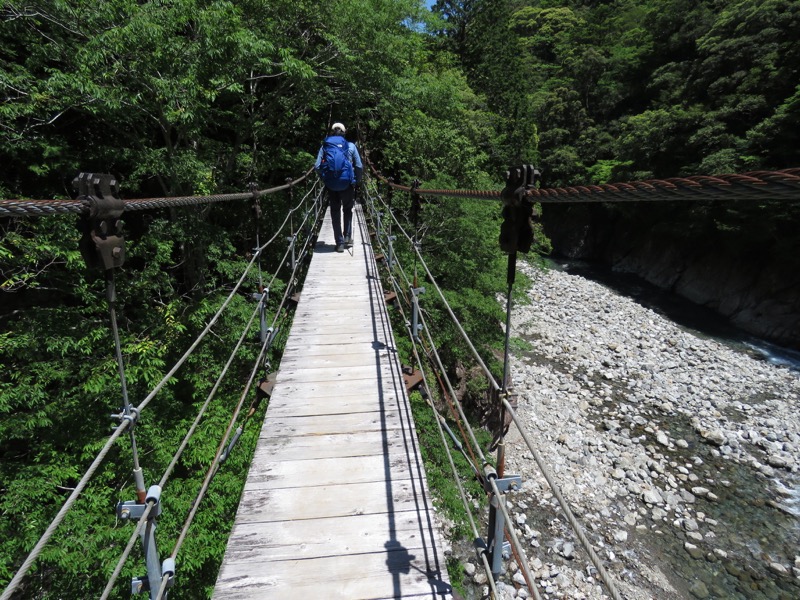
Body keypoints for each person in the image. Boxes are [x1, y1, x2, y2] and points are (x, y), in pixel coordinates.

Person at [314, 122, 363, 253]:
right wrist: (357, 181)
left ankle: (339, 243)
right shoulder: (351, 146)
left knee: (335, 212)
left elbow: (317, 166)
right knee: (347, 209)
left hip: (331, 185)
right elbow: (359, 166)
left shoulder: (325, 146)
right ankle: (347, 236)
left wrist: (325, 178)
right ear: (344, 133)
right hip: (347, 184)